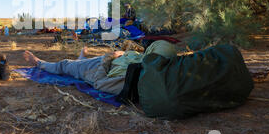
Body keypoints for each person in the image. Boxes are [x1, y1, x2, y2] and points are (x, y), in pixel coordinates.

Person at [23, 40, 177, 95]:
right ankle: (81, 60)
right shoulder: (151, 63)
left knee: (65, 65)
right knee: (77, 64)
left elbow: (100, 83)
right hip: (107, 61)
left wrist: (109, 57)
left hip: (98, 68)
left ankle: (38, 63)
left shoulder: (135, 76)